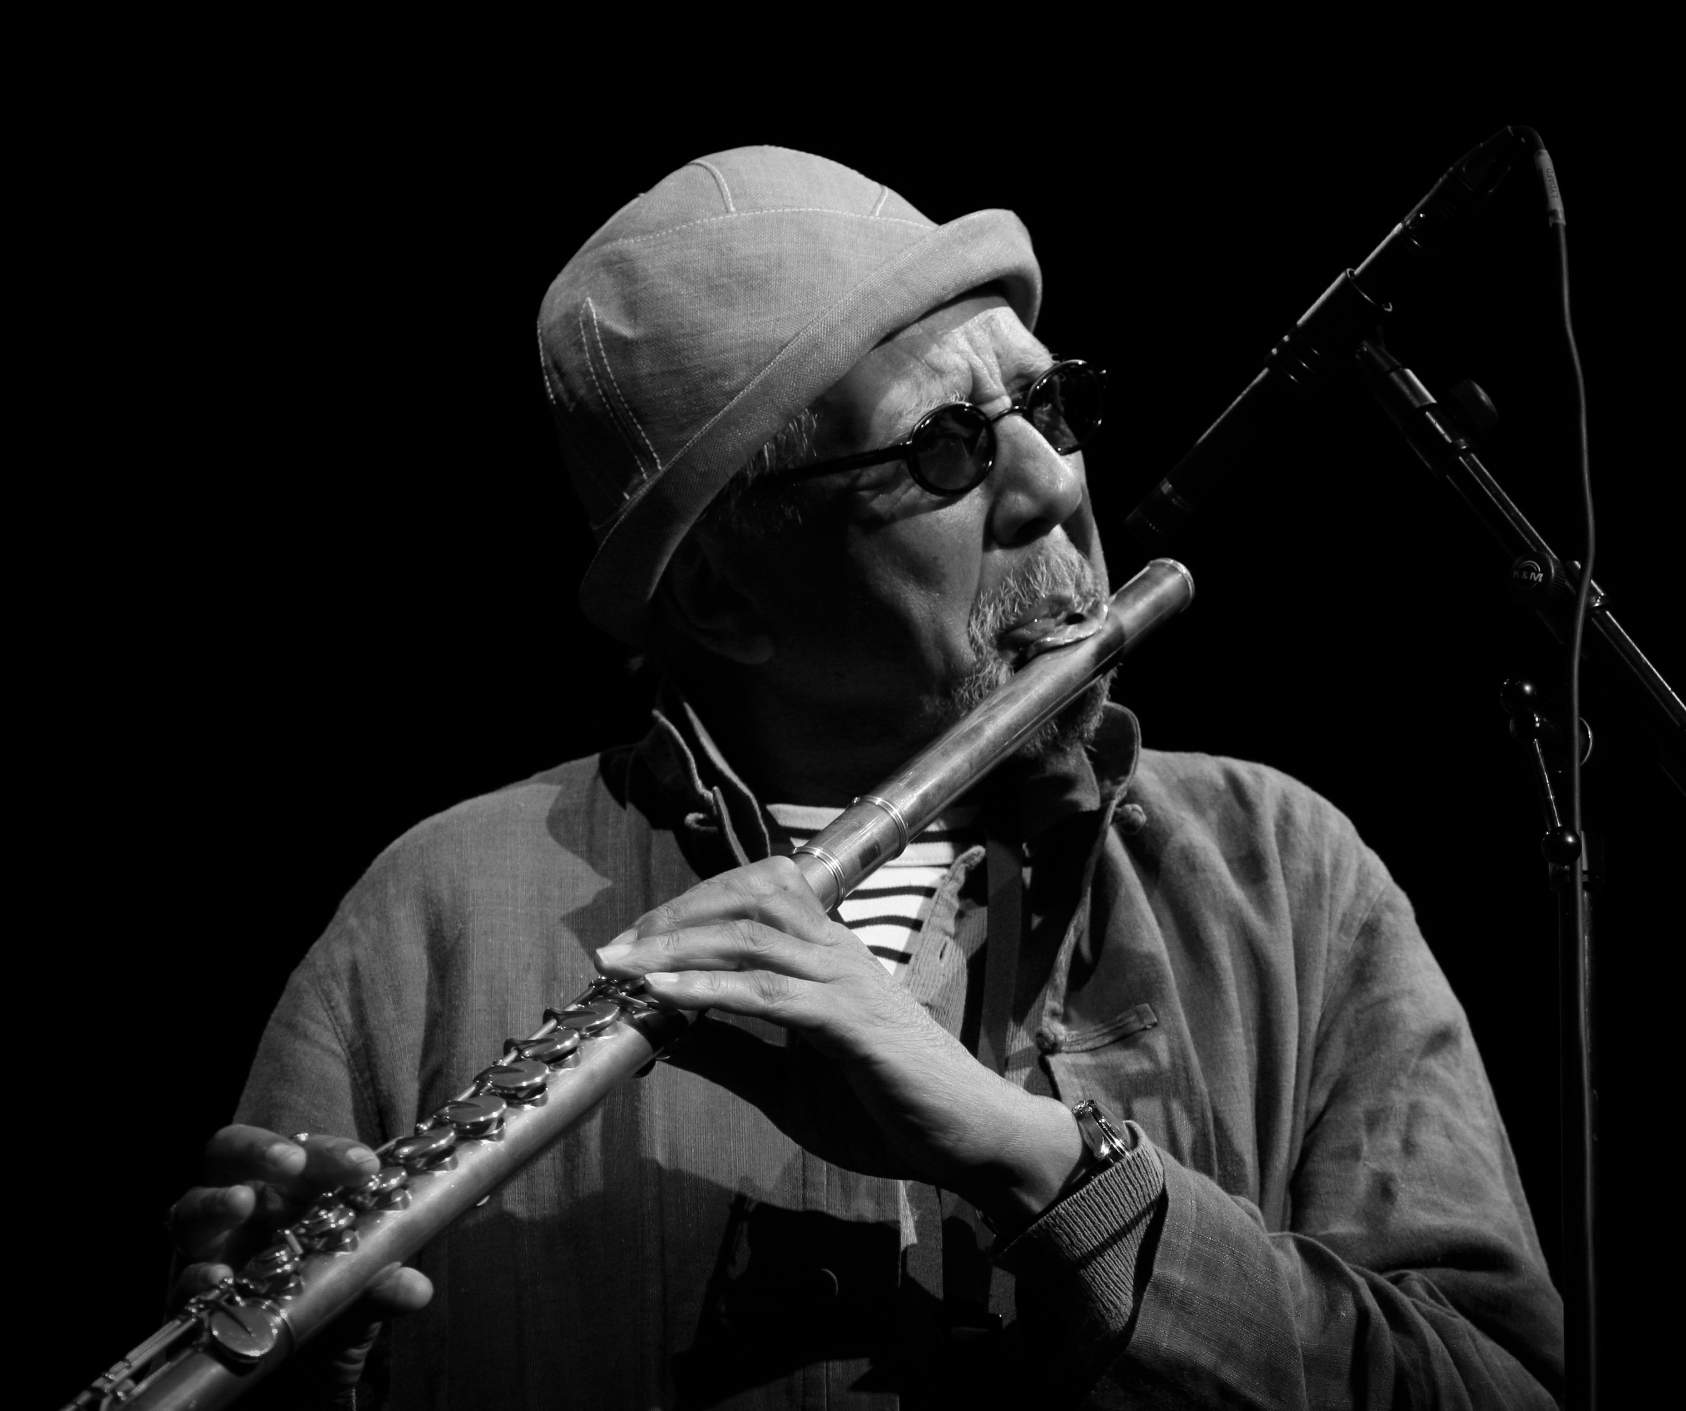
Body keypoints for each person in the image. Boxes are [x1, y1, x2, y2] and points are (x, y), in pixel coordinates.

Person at [169, 146, 1563, 1409]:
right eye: (945, 445)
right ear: (723, 596)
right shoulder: (439, 914)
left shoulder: (1280, 870)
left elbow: (1491, 1389)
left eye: (1048, 404)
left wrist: (1037, 1165)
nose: (1049, 487)